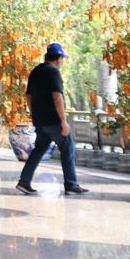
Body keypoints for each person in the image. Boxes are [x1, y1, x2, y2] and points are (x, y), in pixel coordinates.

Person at [16, 42, 89, 196]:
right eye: (62, 59)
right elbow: (57, 96)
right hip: (54, 121)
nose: (62, 62)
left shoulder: (36, 71)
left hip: (40, 121)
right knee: (68, 149)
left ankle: (24, 181)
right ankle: (71, 184)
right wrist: (63, 121)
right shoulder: (53, 72)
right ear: (59, 58)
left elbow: (28, 96)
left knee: (39, 149)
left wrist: (34, 113)